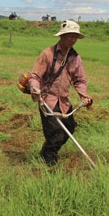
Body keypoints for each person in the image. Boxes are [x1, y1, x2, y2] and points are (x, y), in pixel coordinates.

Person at [28, 20, 93, 166]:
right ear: (62, 36)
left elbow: (80, 80)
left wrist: (84, 95)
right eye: (70, 36)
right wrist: (35, 89)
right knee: (55, 133)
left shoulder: (75, 58)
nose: (73, 39)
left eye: (75, 36)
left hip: (63, 101)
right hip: (47, 100)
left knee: (70, 128)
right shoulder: (47, 54)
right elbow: (35, 76)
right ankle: (49, 165)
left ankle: (46, 151)